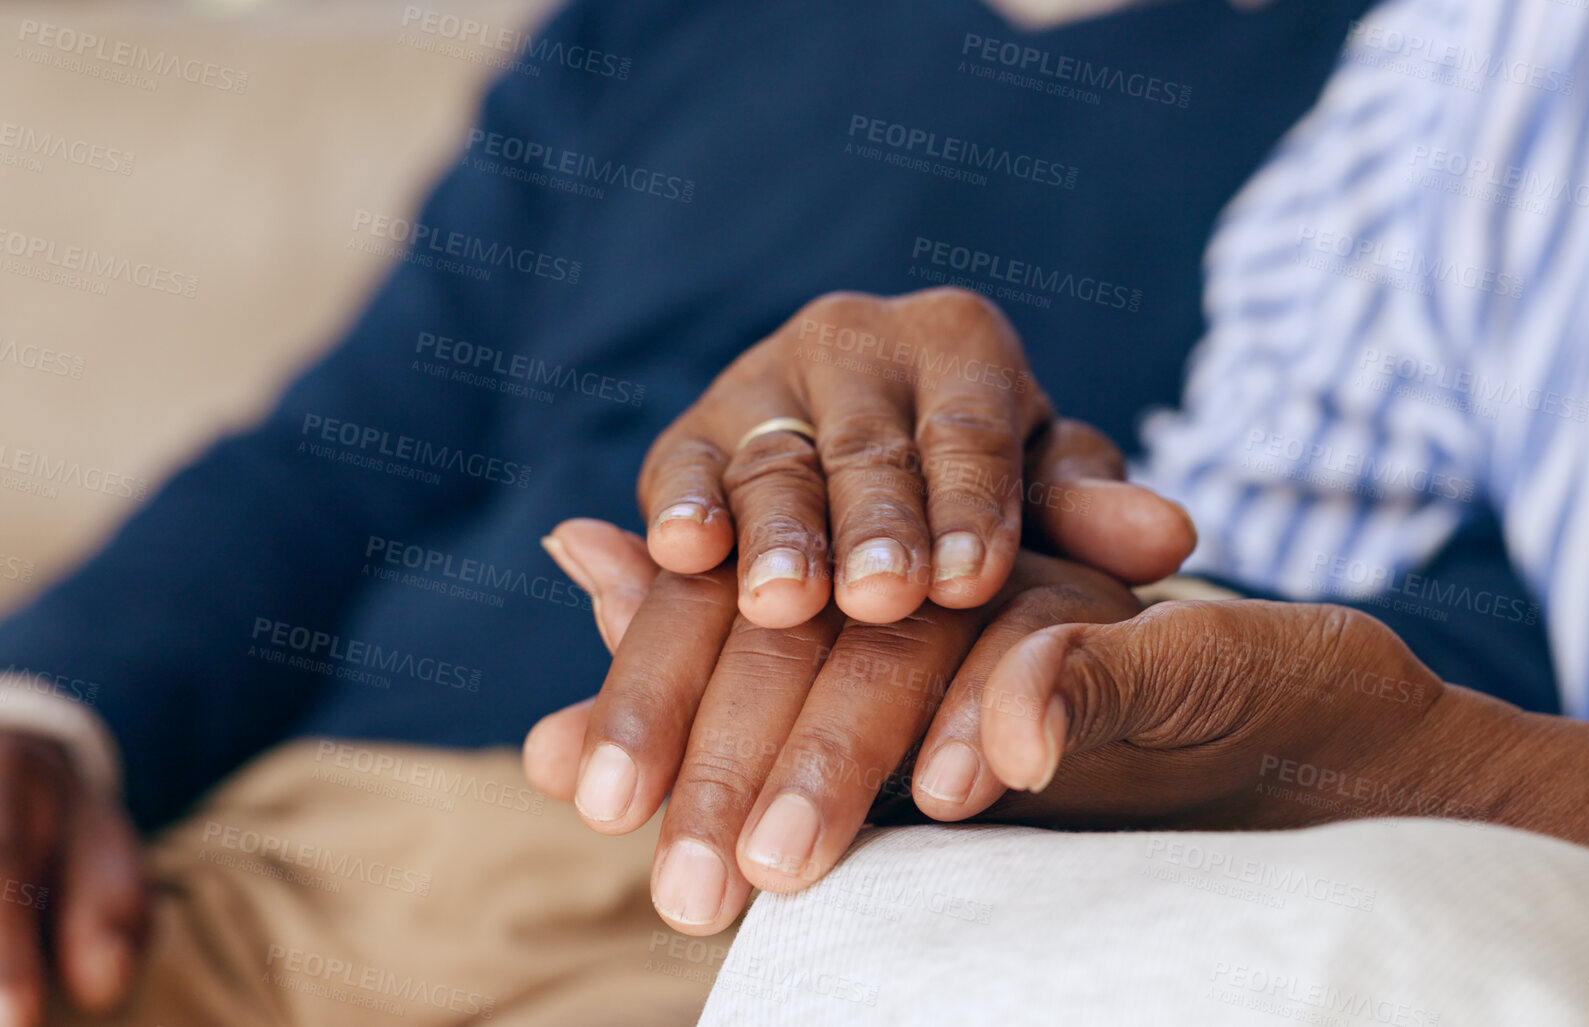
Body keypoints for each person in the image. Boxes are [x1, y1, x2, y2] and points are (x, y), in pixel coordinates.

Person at [517, 0, 1589, 1016]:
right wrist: (1031, 602)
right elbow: (1298, 565)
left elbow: (1447, 747)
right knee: (940, 907)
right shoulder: (1520, 38)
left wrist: (1472, 770)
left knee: (1359, 942)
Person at [0, 0, 1385, 1023]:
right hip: (307, 857)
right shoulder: (660, 23)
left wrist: (1072, 666)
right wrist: (46, 718)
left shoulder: (1449, 84)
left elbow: (1492, 653)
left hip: (848, 904)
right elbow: (343, 457)